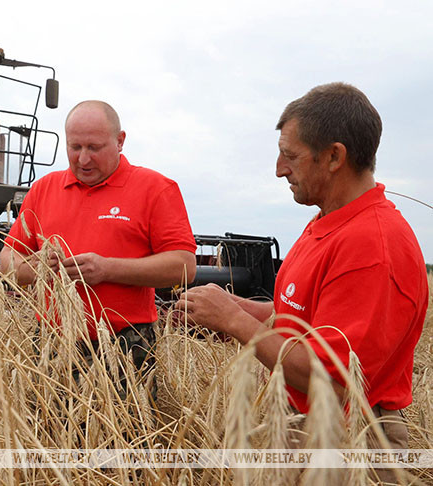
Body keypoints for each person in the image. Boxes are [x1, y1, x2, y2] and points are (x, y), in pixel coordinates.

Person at [179, 83, 428, 467]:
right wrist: (233, 307)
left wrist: (233, 320)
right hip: (307, 427)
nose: (280, 170)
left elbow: (331, 381)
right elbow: (299, 319)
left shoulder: (371, 247)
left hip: (350, 441)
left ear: (333, 156)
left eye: (289, 156)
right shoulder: (326, 223)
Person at [0, 100, 197, 387]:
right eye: (75, 147)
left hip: (126, 346)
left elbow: (184, 266)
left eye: (94, 148)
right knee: (47, 431)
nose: (82, 159)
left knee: (126, 432)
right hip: (50, 344)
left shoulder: (156, 189)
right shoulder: (44, 189)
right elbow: (8, 258)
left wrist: (107, 269)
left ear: (120, 141)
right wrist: (35, 268)